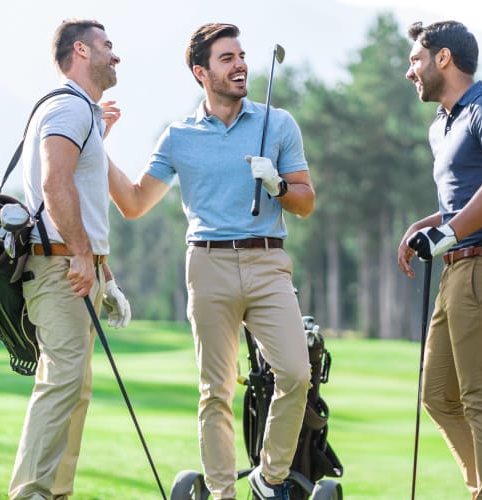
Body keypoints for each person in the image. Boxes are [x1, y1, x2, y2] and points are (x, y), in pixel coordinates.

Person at [106, 22, 314, 500]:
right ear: (202, 72)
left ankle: (269, 477)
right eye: (227, 58)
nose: (240, 64)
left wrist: (279, 187)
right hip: (207, 266)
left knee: (296, 373)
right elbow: (135, 203)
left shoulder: (276, 123)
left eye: (241, 56)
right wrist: (98, 147)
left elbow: (305, 202)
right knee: (215, 390)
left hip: (267, 264)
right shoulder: (179, 136)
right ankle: (222, 494)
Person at [397, 20, 482, 500]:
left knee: (481, 402)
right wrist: (427, 224)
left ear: (443, 59)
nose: (409, 71)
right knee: (438, 397)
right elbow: (464, 201)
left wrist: (449, 231)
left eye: (415, 59)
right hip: (458, 270)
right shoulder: (443, 124)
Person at [9, 18, 133, 499]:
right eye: (107, 45)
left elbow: (80, 189)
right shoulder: (67, 106)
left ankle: (55, 494)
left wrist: (104, 270)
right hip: (61, 269)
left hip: (77, 268)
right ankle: (31, 494)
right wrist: (82, 255)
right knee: (60, 385)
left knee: (74, 393)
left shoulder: (83, 110)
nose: (114, 54)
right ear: (80, 50)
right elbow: (54, 183)